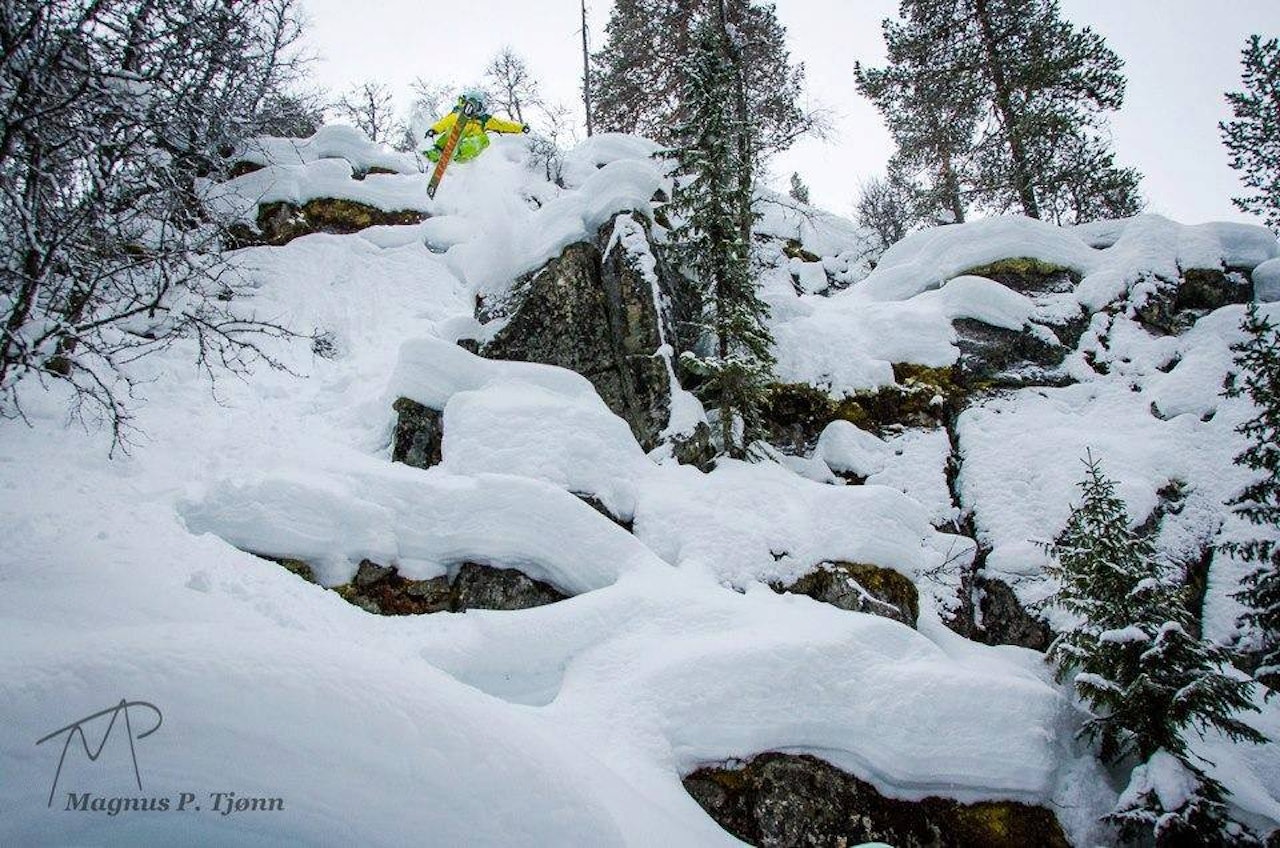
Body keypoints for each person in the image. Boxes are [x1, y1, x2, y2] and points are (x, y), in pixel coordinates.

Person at [422, 89, 528, 164]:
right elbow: (444, 123)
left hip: (466, 152)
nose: (477, 110)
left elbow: (504, 125)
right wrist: (434, 130)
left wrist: (521, 127)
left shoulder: (485, 120)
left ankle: (458, 152)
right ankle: (436, 152)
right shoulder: (457, 115)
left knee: (484, 139)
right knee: (451, 130)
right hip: (451, 142)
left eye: (479, 107)